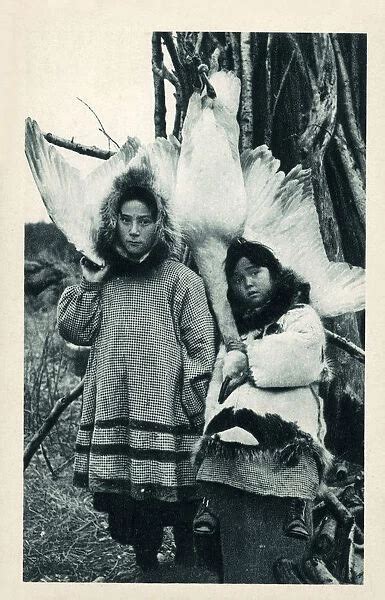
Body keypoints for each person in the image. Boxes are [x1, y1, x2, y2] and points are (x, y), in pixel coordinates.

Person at [57, 168, 216, 574]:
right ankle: (146, 568)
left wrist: (188, 403)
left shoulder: (181, 280)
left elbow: (202, 348)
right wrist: (89, 285)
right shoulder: (105, 278)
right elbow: (74, 329)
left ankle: (186, 569)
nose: (133, 231)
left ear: (158, 225)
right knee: (133, 513)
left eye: (144, 222)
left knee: (179, 508)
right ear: (114, 221)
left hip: (168, 416)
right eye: (125, 220)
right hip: (118, 415)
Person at [193, 238, 332, 583]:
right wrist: (215, 412)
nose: (248, 284)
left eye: (255, 273)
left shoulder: (299, 315)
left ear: (274, 272)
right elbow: (219, 381)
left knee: (298, 445)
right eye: (239, 281)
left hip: (286, 417)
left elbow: (306, 350)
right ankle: (210, 504)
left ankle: (294, 509)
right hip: (245, 421)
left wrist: (249, 358)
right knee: (223, 433)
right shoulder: (239, 332)